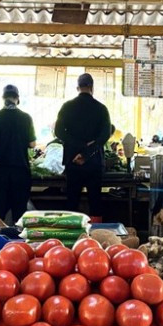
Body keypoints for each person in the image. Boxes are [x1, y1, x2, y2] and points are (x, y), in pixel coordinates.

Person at [54, 73, 111, 220]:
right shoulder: (101, 109)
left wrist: (77, 146)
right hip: (93, 162)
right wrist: (87, 152)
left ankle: (70, 236)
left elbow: (58, 132)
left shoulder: (67, 107)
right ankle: (96, 236)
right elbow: (105, 135)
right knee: (95, 201)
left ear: (77, 88)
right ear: (92, 88)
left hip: (73, 161)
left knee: (72, 200)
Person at [0, 85, 37, 222]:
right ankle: (19, 241)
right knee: (19, 213)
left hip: (0, 171)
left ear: (3, 98)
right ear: (17, 99)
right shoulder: (26, 118)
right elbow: (32, 144)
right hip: (21, 171)